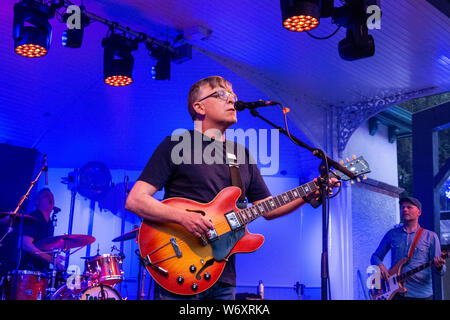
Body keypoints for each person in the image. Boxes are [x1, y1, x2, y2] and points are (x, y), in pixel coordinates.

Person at [126, 75, 337, 300]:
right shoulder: (177, 145)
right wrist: (183, 218)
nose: (231, 100)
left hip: (222, 276)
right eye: (221, 95)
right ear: (199, 107)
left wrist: (308, 192)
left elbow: (268, 209)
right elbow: (136, 200)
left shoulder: (241, 155)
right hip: (179, 268)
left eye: (233, 96)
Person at [370, 196, 446, 300]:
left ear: (419, 212)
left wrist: (439, 266)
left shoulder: (431, 237)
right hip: (396, 294)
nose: (404, 209)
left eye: (409, 207)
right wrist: (380, 266)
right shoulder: (392, 234)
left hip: (421, 294)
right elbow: (375, 256)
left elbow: (441, 271)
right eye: (403, 207)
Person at [20, 188, 64, 272]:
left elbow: (43, 246)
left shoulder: (50, 222)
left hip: (41, 269)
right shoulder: (34, 218)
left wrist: (54, 256)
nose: (50, 198)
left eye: (52, 196)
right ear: (37, 202)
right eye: (46, 196)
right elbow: (26, 244)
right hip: (28, 269)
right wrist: (51, 259)